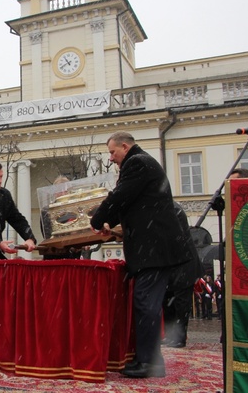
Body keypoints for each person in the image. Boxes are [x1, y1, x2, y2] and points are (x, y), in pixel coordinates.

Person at [90, 131, 192, 378]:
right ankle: (145, 359)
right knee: (146, 303)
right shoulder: (141, 163)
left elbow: (121, 196)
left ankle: (150, 362)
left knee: (146, 303)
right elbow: (130, 201)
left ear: (125, 147)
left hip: (154, 249)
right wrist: (109, 223)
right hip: (153, 249)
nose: (111, 158)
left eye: (113, 152)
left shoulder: (137, 162)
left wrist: (99, 218)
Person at [162, 202, 203, 348]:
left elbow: (171, 235)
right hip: (174, 264)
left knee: (180, 303)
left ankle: (179, 337)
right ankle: (171, 335)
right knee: (168, 301)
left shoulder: (171, 208)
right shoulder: (167, 207)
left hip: (184, 263)